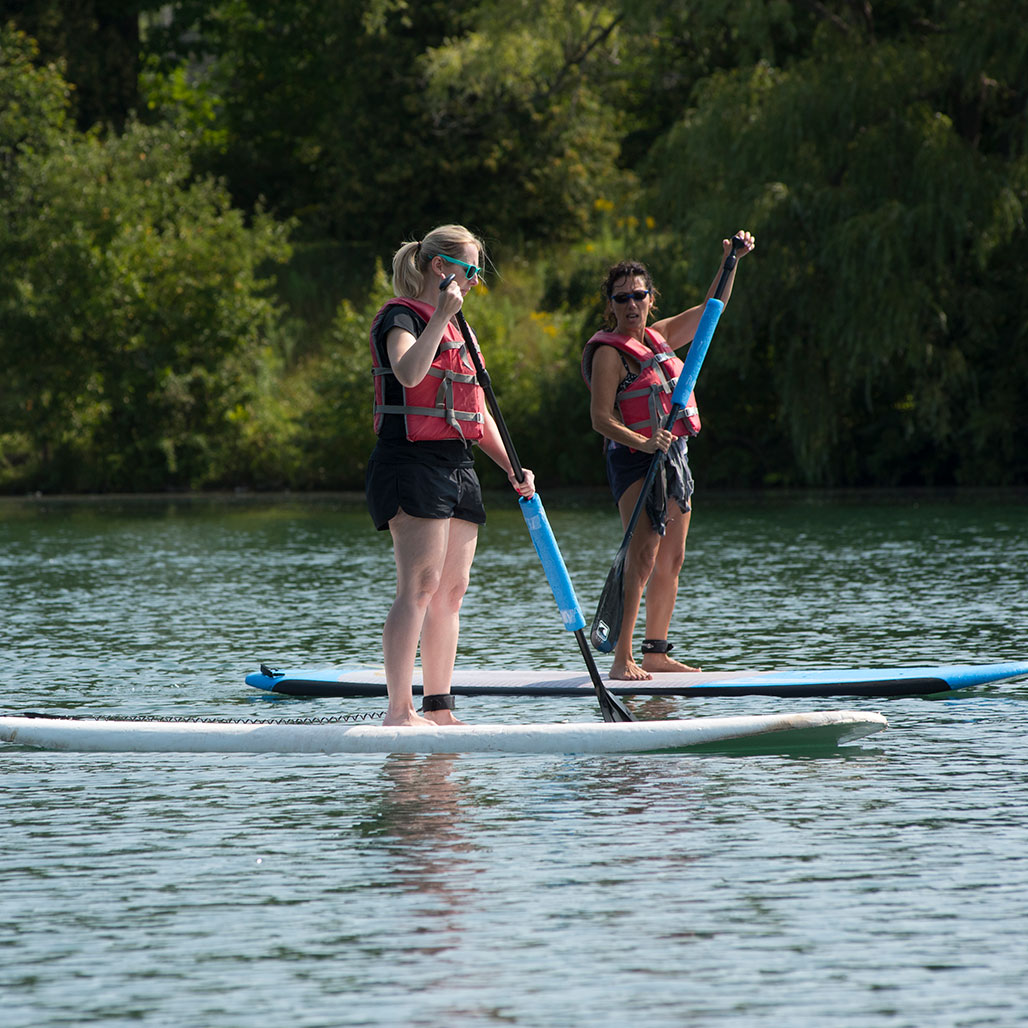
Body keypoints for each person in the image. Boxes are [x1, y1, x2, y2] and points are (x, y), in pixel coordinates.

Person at [366, 224, 536, 727]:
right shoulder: (400, 317)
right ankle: (399, 711)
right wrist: (441, 315)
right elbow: (408, 374)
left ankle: (438, 708)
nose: (476, 281)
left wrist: (512, 468)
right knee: (418, 586)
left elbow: (475, 413)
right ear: (440, 268)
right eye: (470, 270)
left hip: (457, 465)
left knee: (451, 591)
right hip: (409, 461)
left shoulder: (464, 331)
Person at [582, 232, 756, 681]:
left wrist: (731, 261)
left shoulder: (660, 336)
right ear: (611, 305)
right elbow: (600, 418)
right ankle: (621, 658)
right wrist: (642, 443)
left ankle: (655, 652)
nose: (631, 304)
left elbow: (711, 311)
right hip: (634, 459)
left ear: (650, 299)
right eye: (622, 298)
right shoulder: (609, 354)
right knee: (641, 556)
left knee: (671, 558)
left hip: (673, 455)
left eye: (639, 295)